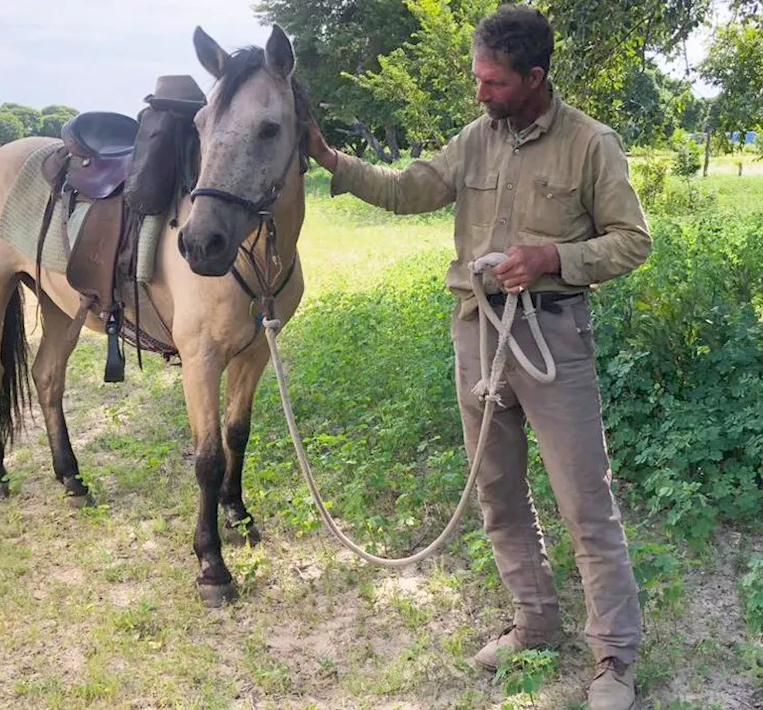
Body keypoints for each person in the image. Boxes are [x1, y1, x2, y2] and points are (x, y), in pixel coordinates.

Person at [303, 5, 651, 708]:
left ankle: (614, 659)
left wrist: (553, 257)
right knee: (496, 493)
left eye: (492, 83)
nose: (480, 94)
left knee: (586, 504)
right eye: (477, 80)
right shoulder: (475, 138)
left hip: (554, 338)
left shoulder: (591, 143)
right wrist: (330, 160)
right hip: (479, 333)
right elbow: (410, 189)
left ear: (535, 77)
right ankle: (535, 623)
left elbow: (632, 241)